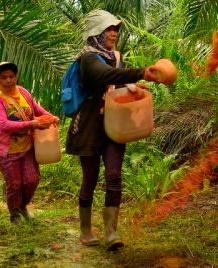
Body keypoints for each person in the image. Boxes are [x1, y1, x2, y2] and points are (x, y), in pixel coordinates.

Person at [65, 10, 160, 250]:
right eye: (109, 29)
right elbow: (102, 76)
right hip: (88, 125)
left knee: (114, 175)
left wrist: (131, 87)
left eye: (116, 29)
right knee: (90, 178)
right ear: (96, 32)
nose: (113, 33)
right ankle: (86, 230)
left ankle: (111, 232)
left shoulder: (115, 56)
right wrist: (140, 71)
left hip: (113, 123)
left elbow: (115, 82)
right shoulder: (87, 58)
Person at [0, 62, 59, 224]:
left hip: (28, 146)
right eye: (4, 78)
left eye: (11, 76)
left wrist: (51, 117)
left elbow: (36, 108)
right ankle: (14, 213)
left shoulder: (23, 92)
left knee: (32, 179)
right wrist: (31, 124)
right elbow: (4, 125)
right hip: (8, 150)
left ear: (16, 77)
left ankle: (23, 206)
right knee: (14, 184)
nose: (9, 80)